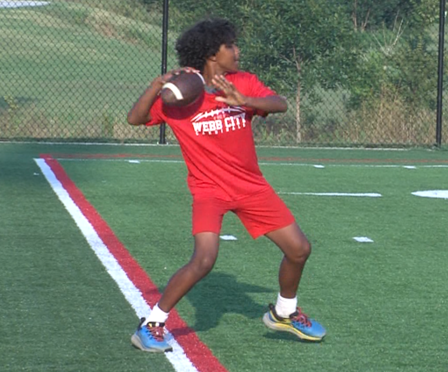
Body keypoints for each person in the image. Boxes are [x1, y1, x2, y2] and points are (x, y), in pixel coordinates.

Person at [126, 17, 326, 352]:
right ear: (210, 54)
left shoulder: (241, 81)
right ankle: (152, 323)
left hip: (251, 186)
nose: (237, 50)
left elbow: (280, 103)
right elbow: (135, 118)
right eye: (230, 45)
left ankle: (284, 312)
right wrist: (154, 86)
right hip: (210, 191)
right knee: (204, 260)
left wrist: (244, 101)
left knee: (299, 249)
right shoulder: (180, 93)